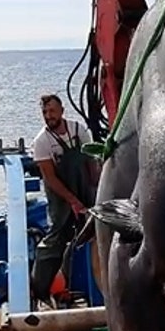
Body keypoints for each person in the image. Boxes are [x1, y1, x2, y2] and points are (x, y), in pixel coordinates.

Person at [30, 94, 100, 308]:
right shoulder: (42, 142)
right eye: (44, 112)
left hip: (84, 189)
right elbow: (49, 178)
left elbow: (91, 163)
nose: (48, 116)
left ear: (61, 110)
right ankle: (40, 289)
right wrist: (72, 201)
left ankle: (76, 284)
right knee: (56, 238)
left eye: (51, 111)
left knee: (90, 232)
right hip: (60, 196)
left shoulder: (78, 130)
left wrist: (96, 191)